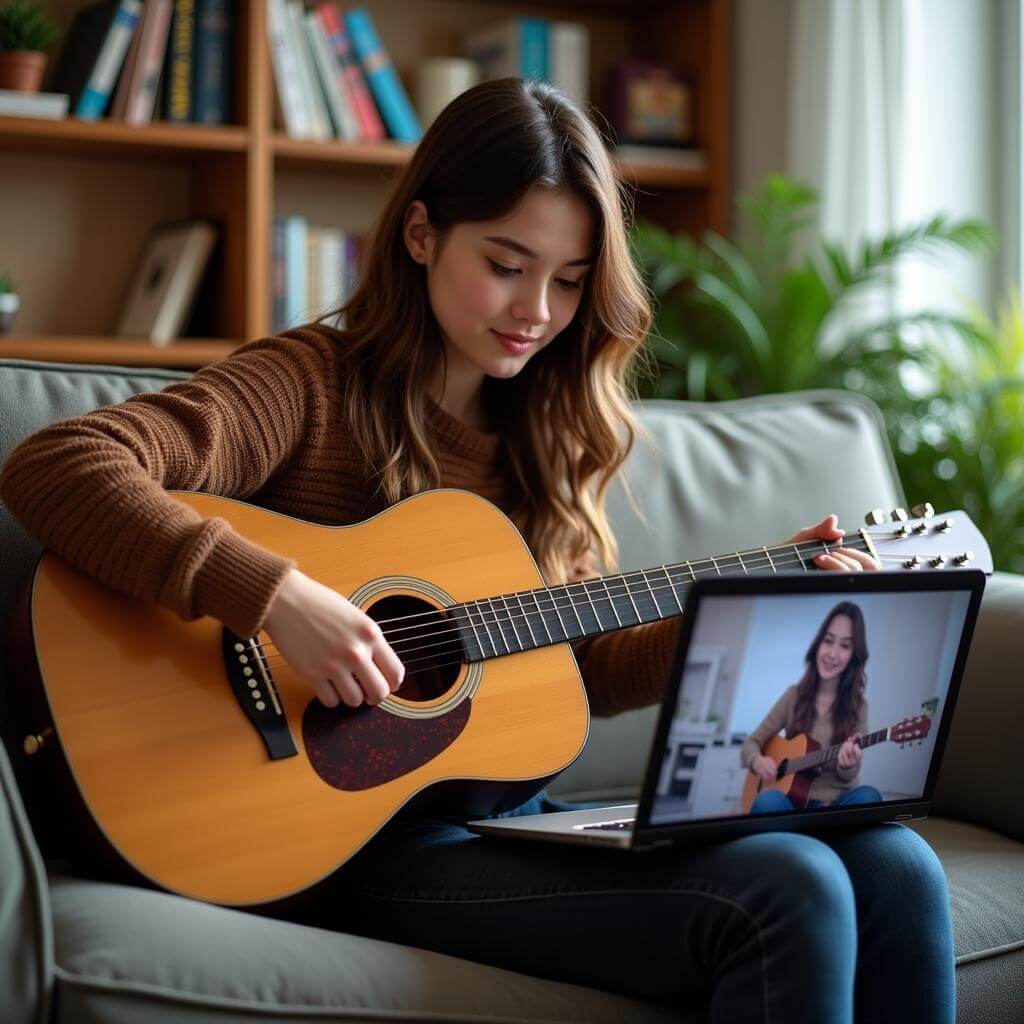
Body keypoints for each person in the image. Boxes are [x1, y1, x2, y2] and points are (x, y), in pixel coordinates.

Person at [0, 78, 954, 1023]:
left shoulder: (549, 433)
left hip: (492, 824)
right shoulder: (309, 385)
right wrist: (277, 596)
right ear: (421, 235)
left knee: (896, 864)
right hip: (333, 841)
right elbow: (62, 462)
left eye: (571, 280)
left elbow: (574, 669)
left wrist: (746, 605)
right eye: (507, 262)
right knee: (787, 883)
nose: (537, 308)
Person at [744, 602, 885, 814]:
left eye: (845, 646)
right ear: (818, 643)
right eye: (828, 641)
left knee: (869, 797)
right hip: (792, 803)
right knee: (767, 802)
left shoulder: (860, 706)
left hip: (835, 806)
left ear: (854, 655)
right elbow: (751, 743)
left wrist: (847, 765)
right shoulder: (793, 695)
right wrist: (757, 761)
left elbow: (847, 777)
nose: (833, 654)